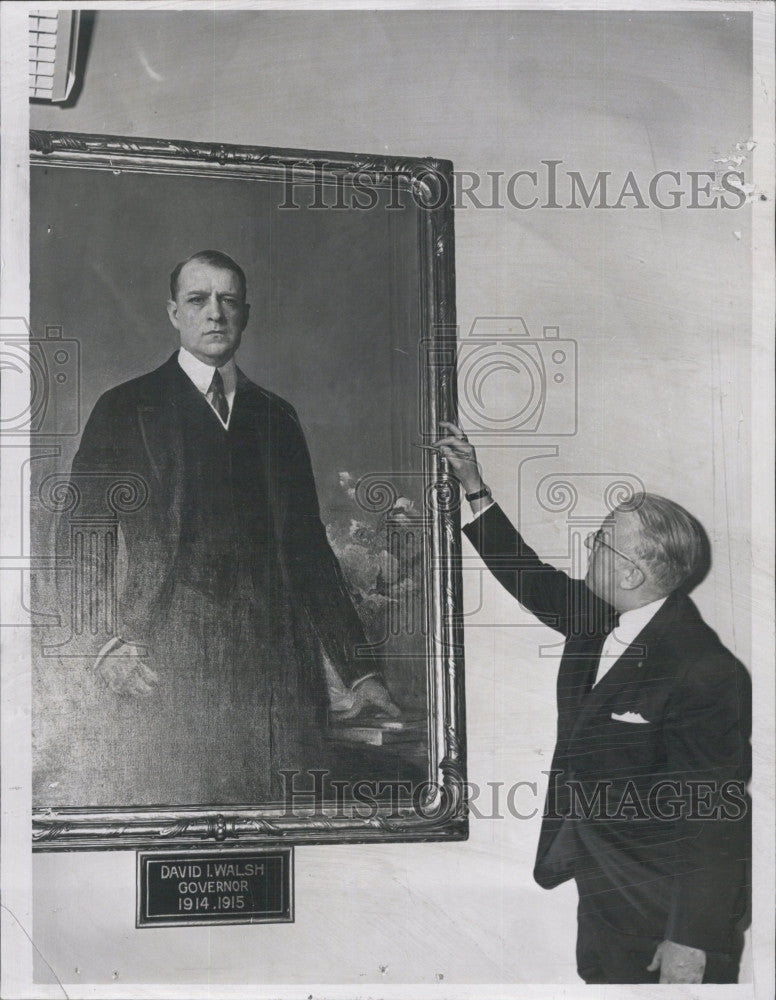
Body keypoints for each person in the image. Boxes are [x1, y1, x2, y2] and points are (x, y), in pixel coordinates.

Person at [61, 249, 401, 804]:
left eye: (228, 301)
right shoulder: (125, 409)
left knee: (281, 817)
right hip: (169, 663)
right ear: (174, 313)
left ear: (246, 314)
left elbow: (309, 552)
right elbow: (80, 538)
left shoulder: (277, 417)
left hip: (280, 672)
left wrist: (360, 670)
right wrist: (105, 645)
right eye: (198, 300)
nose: (215, 313)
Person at [433, 421, 751, 985]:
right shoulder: (601, 616)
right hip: (606, 900)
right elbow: (529, 578)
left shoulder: (704, 669)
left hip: (668, 924)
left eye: (601, 538)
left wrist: (692, 939)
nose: (589, 544)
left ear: (630, 571)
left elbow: (717, 816)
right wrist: (474, 486)